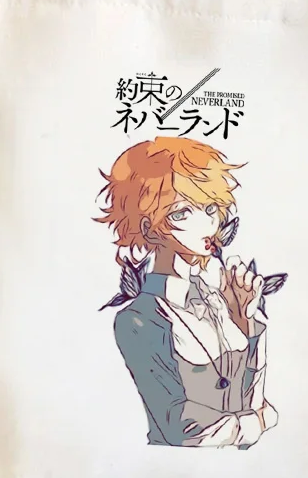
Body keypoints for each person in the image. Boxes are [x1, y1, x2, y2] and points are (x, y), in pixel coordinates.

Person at [95, 136, 279, 449]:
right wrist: (258, 423)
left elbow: (252, 401)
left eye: (210, 208)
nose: (206, 225)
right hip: (166, 470)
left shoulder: (220, 300)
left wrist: (244, 322)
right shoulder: (139, 319)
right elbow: (184, 430)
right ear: (149, 228)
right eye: (181, 213)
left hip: (236, 471)